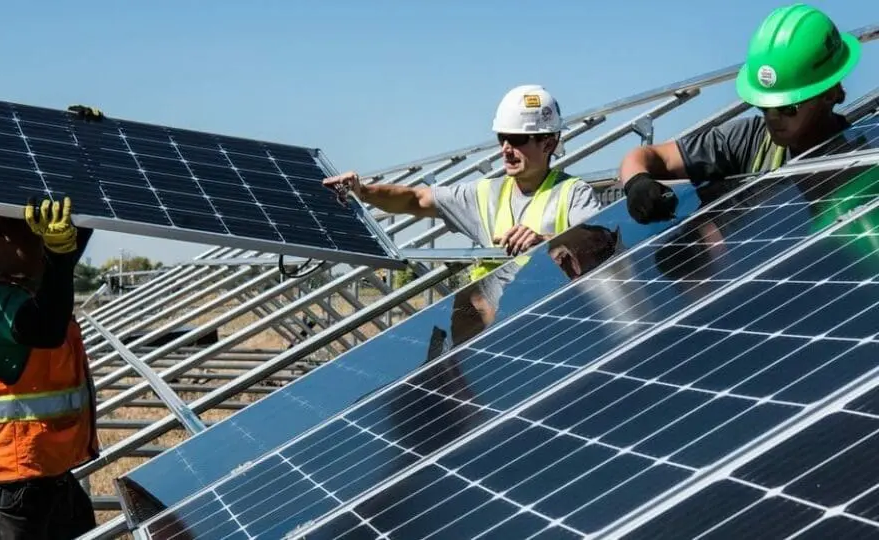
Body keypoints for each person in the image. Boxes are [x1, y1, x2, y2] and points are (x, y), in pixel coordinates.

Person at [324, 84, 602, 340]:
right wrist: (363, 191)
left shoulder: (574, 194)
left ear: (549, 143)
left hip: (548, 326)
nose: (506, 149)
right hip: (485, 328)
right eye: (502, 138)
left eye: (517, 139)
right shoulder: (484, 193)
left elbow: (599, 255)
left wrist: (544, 242)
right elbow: (416, 199)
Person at [0, 104, 105, 540]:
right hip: (7, 492)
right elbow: (45, 326)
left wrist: (88, 149)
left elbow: (71, 238)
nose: (37, 232)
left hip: (49, 481)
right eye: (24, 226)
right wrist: (58, 257)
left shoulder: (36, 284)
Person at [619, 3, 861, 224]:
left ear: (829, 94)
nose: (773, 118)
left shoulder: (863, 158)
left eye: (787, 107)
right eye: (764, 106)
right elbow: (650, 156)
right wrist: (637, 183)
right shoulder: (746, 139)